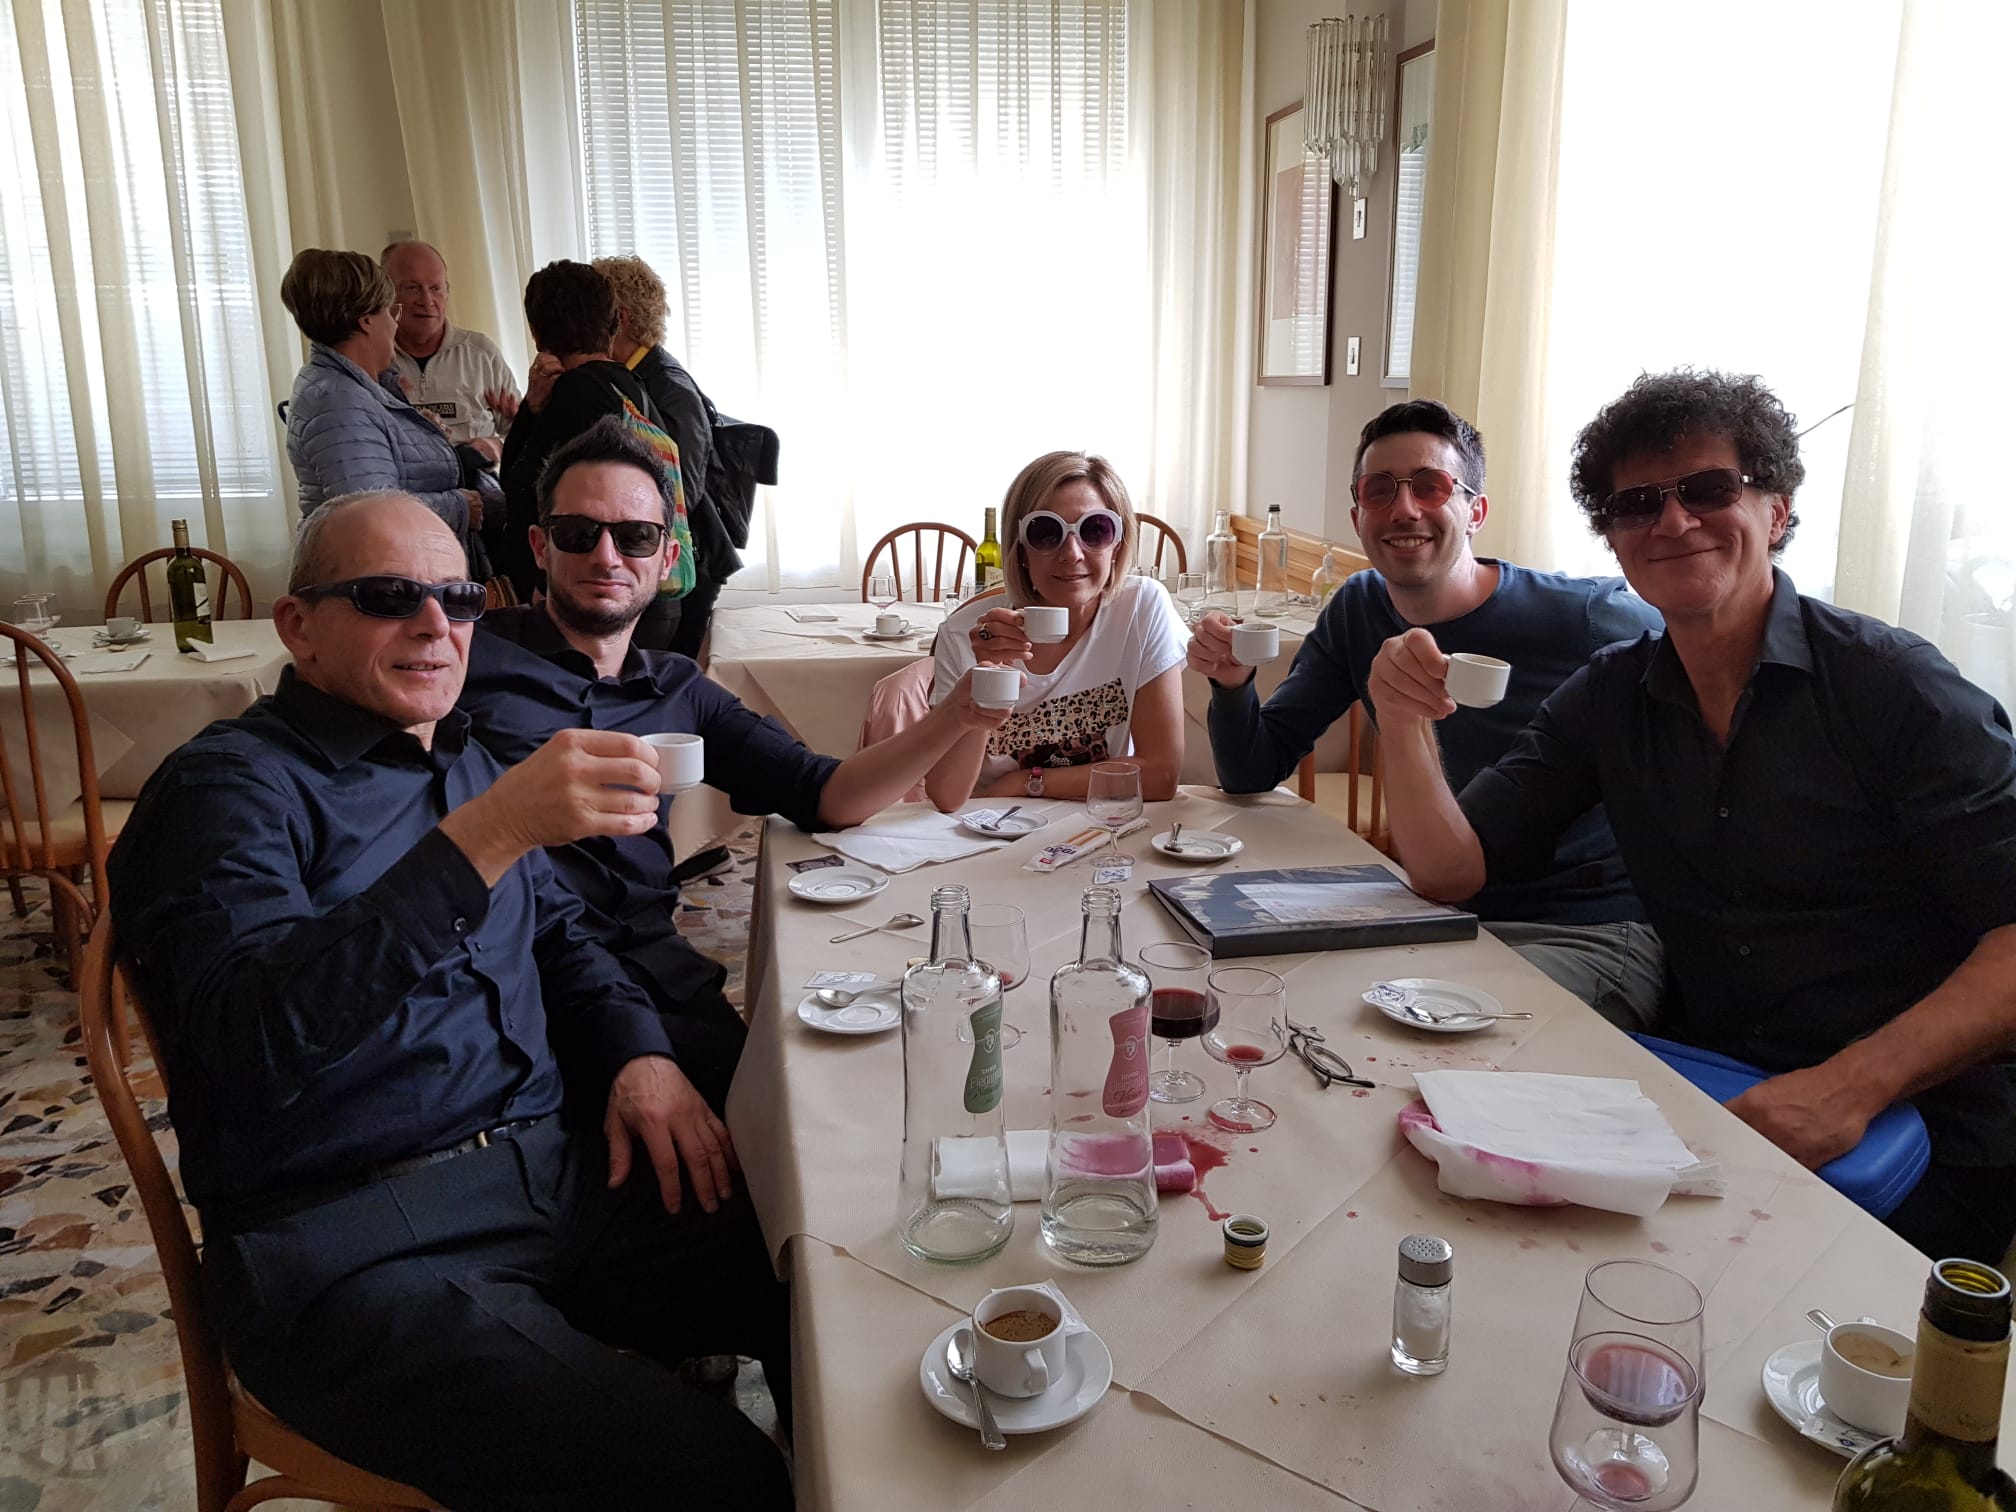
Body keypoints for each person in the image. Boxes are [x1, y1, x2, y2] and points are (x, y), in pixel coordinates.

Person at [107, 491, 792, 1510]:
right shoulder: (227, 792)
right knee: (716, 1479)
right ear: (298, 626)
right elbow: (249, 1045)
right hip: (349, 1245)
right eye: (388, 597)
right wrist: (487, 835)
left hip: (547, 1172)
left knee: (810, 1266)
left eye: (458, 599)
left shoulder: (461, 756)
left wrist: (639, 1056)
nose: (435, 625)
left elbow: (560, 936)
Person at [1369, 370, 2016, 1260]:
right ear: (1614, 538)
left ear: (1776, 511)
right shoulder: (1610, 697)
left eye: (1708, 489)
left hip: (1921, 1127)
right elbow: (1451, 870)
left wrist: (1849, 1086)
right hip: (1707, 1091)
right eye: (1636, 504)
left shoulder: (1895, 689)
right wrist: (1403, 721)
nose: (1673, 522)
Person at [462, 418, 1014, 1107]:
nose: (606, 555)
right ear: (540, 546)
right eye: (578, 533)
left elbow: (827, 795)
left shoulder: (677, 689)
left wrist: (956, 716)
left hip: (651, 970)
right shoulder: (466, 665)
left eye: (634, 536)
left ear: (667, 558)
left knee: (802, 1107)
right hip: (507, 979)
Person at [1188, 399, 1667, 1027]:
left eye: (1430, 485)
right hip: (1434, 914)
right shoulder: (1360, 607)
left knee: (1409, 1037)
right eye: (1380, 490)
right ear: (1358, 516)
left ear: (1475, 511)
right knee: (1250, 995)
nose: (1404, 508)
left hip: (1579, 930)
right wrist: (1232, 685)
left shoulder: (1585, 617)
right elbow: (1253, 769)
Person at [926, 450, 1187, 809]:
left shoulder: (1141, 607)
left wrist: (1026, 782)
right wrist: (986, 675)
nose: (1072, 553)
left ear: (1118, 544)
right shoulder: (966, 634)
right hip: (992, 823)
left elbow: (1162, 774)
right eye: (1046, 533)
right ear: (1020, 549)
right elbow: (947, 795)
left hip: (1098, 820)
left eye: (1095, 530)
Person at [279, 250, 484, 557]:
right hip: (380, 577)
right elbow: (371, 515)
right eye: (391, 312)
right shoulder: (339, 402)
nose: (395, 324)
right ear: (366, 321)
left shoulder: (358, 388)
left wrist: (422, 433)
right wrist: (459, 506)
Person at [499, 260, 669, 605]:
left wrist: (531, 409)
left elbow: (519, 484)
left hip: (585, 586)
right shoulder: (629, 384)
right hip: (633, 570)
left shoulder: (574, 392)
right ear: (614, 322)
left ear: (536, 332)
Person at [596, 254, 742, 657]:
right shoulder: (637, 374)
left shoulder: (668, 385)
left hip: (687, 569)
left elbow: (683, 491)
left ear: (620, 318)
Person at [382, 239, 521, 455]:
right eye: (412, 288)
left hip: (476, 477)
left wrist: (496, 444)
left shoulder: (481, 353)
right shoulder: (372, 359)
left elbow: (521, 439)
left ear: (447, 292)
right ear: (386, 294)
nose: (427, 300)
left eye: (436, 288)